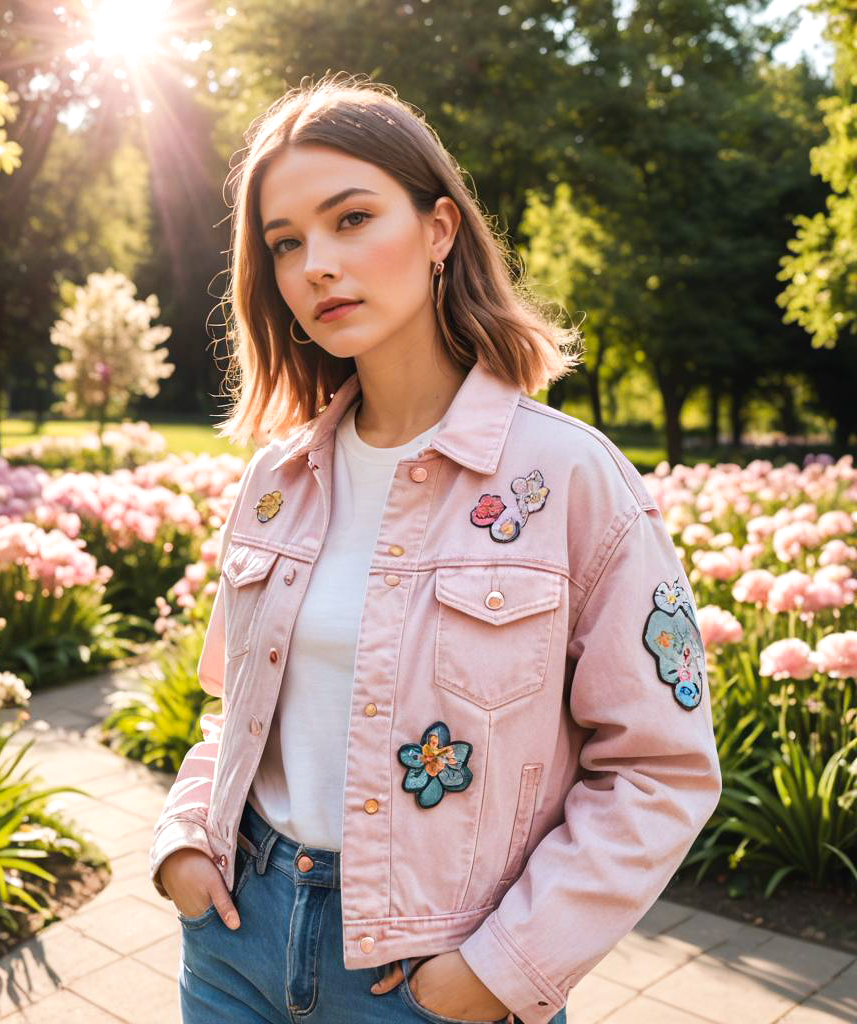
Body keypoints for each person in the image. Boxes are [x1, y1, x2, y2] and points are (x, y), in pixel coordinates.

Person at [148, 72, 722, 1024]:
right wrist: (184, 841)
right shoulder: (278, 481)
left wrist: (502, 968)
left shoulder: (569, 480)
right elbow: (233, 711)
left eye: (351, 218)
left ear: (440, 231)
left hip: (433, 980)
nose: (317, 264)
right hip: (234, 943)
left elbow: (661, 768)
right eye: (286, 244)